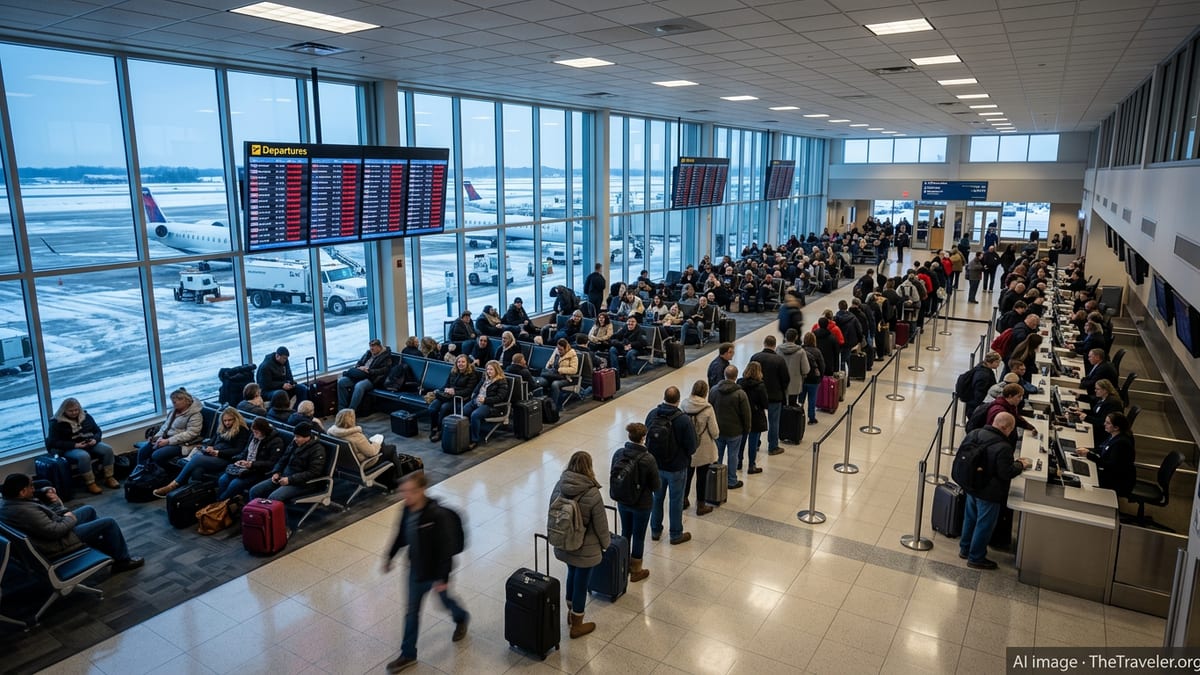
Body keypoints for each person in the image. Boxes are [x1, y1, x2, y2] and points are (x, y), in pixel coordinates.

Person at [382, 471, 469, 673]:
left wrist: (443, 578)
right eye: (403, 491)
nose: (406, 496)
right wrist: (389, 557)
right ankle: (408, 654)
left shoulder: (437, 515)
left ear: (422, 490)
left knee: (445, 602)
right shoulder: (406, 510)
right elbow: (400, 535)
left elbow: (447, 548)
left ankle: (461, 617)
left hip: (436, 572)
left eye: (410, 491)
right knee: (411, 612)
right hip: (416, 570)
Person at [0, 473, 144, 572]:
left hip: (48, 534)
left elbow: (42, 515)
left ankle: (105, 547)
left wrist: (44, 491)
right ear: (22, 492)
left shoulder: (8, 502)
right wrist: (69, 517)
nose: (33, 489)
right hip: (58, 543)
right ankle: (122, 561)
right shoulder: (25, 511)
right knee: (109, 522)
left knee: (89, 510)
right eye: (31, 486)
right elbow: (54, 531)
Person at [549, 451, 609, 639]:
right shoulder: (592, 493)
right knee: (581, 582)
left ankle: (570, 611)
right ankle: (577, 624)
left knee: (571, 573)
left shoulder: (559, 485)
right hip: (585, 548)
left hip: (564, 542)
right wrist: (606, 544)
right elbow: (601, 525)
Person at [958, 413, 1028, 570]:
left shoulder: (975, 433)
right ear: (1006, 428)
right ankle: (976, 557)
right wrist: (1020, 465)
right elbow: (1006, 472)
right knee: (984, 524)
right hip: (989, 492)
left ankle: (965, 548)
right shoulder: (1004, 447)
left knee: (970, 518)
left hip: (971, 484)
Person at [153, 407, 251, 497]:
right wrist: (208, 447)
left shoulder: (241, 430)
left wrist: (218, 452)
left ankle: (174, 485)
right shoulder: (222, 428)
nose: (227, 423)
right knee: (197, 470)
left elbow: (238, 450)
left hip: (225, 458)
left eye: (230, 420)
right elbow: (213, 441)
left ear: (236, 419)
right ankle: (190, 495)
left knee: (197, 459)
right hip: (213, 454)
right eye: (225, 420)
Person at [646, 387, 697, 545]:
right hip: (676, 468)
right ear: (678, 400)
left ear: (664, 397)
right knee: (676, 501)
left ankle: (655, 530)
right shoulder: (683, 420)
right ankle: (675, 534)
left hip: (656, 465)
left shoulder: (653, 414)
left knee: (657, 498)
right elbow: (692, 446)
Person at [609, 423, 660, 582]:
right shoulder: (648, 459)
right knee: (639, 536)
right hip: (641, 504)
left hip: (622, 501)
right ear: (643, 438)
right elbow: (656, 486)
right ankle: (636, 570)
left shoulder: (619, 453)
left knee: (626, 531)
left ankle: (623, 565)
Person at [46, 398, 117, 494]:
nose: (74, 413)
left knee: (107, 449)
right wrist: (75, 445)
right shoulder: (56, 423)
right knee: (83, 456)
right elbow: (53, 442)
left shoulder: (86, 416)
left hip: (89, 442)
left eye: (76, 410)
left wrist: (95, 440)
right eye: (70, 411)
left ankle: (109, 477)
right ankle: (90, 483)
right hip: (69, 447)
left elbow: (97, 431)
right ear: (64, 411)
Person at [248, 422, 326, 502]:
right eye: (295, 436)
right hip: (284, 477)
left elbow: (313, 472)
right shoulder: (294, 443)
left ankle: (270, 510)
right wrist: (276, 472)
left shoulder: (317, 450)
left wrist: (289, 480)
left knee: (273, 498)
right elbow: (283, 459)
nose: (295, 439)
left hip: (302, 483)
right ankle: (255, 509)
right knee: (254, 491)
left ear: (307, 437)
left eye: (298, 437)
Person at [216, 418, 286, 501]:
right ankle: (221, 502)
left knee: (234, 484)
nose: (254, 434)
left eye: (256, 432)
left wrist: (252, 464)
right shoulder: (254, 436)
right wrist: (238, 460)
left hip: (258, 471)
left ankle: (219, 502)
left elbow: (272, 463)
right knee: (222, 480)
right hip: (244, 468)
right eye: (253, 432)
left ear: (264, 431)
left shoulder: (276, 442)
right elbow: (245, 452)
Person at [136, 387, 203, 471]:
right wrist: (156, 437)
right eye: (173, 401)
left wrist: (168, 441)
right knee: (143, 451)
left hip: (182, 444)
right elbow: (165, 427)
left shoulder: (195, 415)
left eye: (176, 401)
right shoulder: (173, 411)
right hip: (167, 439)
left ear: (186, 400)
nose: (173, 403)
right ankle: (142, 471)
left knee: (157, 455)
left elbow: (191, 433)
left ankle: (172, 472)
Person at [1074, 412, 1136, 497]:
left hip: (1116, 481)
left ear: (1116, 427)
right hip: (1109, 473)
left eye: (1108, 423)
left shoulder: (1121, 444)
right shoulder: (1113, 435)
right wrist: (1087, 450)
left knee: (1082, 483)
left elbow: (1109, 465)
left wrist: (1089, 455)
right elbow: (1102, 448)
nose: (1104, 424)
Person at [708, 365, 750, 491]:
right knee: (733, 456)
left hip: (718, 429)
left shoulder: (714, 390)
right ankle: (732, 480)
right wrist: (747, 429)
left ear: (724, 375)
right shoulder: (740, 394)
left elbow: (709, 408)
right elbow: (746, 414)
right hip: (735, 431)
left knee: (717, 455)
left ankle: (715, 478)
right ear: (736, 376)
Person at [680, 380, 718, 516]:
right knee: (702, 478)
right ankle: (701, 505)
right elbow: (715, 432)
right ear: (705, 392)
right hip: (703, 448)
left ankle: (683, 500)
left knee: (687, 475)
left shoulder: (684, 404)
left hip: (687, 447)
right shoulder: (708, 408)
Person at [750, 335, 789, 456]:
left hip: (756, 395)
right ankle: (773, 447)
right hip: (775, 395)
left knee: (757, 421)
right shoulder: (779, 360)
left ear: (764, 343)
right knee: (774, 422)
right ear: (774, 345)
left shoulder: (755, 357)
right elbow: (785, 379)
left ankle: (755, 444)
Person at [429, 355, 480, 442]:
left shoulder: (472, 374)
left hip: (459, 398)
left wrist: (454, 392)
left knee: (444, 407)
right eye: (459, 362)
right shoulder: (453, 372)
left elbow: (469, 391)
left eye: (463, 362)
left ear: (467, 363)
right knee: (432, 408)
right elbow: (446, 384)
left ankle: (440, 431)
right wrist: (443, 390)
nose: (460, 364)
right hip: (447, 396)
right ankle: (434, 428)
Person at [463, 360, 511, 448]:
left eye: (491, 369)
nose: (489, 371)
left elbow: (500, 398)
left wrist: (485, 400)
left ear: (496, 370)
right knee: (463, 411)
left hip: (491, 405)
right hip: (477, 400)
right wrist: (474, 396)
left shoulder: (502, 381)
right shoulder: (485, 378)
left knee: (475, 415)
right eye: (487, 369)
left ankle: (474, 440)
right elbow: (477, 388)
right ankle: (464, 435)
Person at [338, 339, 394, 412]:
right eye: (370, 347)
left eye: (373, 347)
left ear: (379, 347)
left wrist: (369, 371)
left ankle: (351, 411)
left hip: (372, 378)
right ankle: (342, 410)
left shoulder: (386, 356)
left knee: (359, 386)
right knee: (341, 382)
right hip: (360, 374)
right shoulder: (368, 353)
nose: (371, 349)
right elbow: (359, 362)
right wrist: (359, 367)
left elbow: (384, 370)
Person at [1070, 380, 1124, 447]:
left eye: (1097, 389)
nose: (1095, 390)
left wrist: (1086, 418)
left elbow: (1102, 422)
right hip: (1098, 427)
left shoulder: (1111, 403)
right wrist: (1082, 410)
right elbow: (1096, 412)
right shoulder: (1103, 398)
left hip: (1103, 433)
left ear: (1105, 390)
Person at [738, 362, 769, 476]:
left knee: (741, 441)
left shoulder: (740, 383)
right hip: (756, 416)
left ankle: (738, 462)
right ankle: (751, 465)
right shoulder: (760, 386)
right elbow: (765, 403)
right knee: (753, 442)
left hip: (742, 415)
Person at [543, 338, 579, 412]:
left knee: (555, 384)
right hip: (554, 375)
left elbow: (574, 370)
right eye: (558, 349)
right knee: (543, 381)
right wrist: (548, 367)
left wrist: (561, 370)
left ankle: (553, 408)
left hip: (567, 378)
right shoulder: (556, 351)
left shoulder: (572, 355)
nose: (559, 351)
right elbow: (550, 362)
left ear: (566, 348)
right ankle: (544, 405)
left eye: (561, 350)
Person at [799, 332, 824, 425]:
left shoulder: (800, 350)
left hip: (802, 378)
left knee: (801, 399)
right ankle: (811, 418)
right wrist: (820, 377)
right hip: (814, 380)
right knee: (812, 399)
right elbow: (822, 366)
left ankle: (799, 414)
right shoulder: (817, 352)